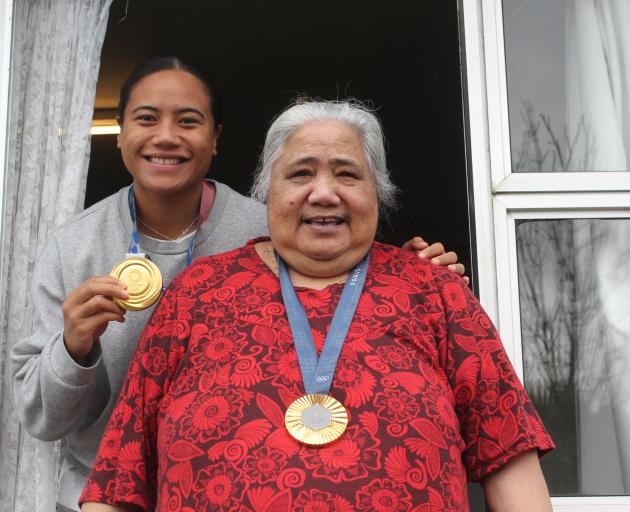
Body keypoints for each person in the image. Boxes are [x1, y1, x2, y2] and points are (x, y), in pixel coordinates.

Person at [10, 58, 464, 512]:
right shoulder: (72, 246)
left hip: (231, 481)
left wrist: (413, 276)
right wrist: (74, 347)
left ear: (216, 138)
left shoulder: (270, 227)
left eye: (188, 121)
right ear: (121, 131)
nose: (166, 136)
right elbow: (40, 417)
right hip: (101, 490)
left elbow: (345, 277)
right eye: (146, 118)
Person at [80, 100, 554, 512]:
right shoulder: (198, 294)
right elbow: (121, 474)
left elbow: (509, 458)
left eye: (347, 174)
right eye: (301, 173)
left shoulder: (435, 293)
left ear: (378, 193)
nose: (324, 192)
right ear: (269, 192)